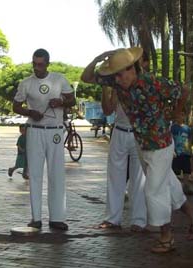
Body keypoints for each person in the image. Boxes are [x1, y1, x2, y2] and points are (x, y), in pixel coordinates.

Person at [94, 47, 193, 253]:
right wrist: (98, 59)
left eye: (120, 74)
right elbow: (88, 77)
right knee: (170, 186)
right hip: (143, 144)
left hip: (160, 144)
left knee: (154, 190)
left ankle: (167, 237)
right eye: (115, 75)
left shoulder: (153, 83)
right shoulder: (119, 83)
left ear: (132, 69)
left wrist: (176, 114)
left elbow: (183, 90)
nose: (117, 80)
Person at [81, 50, 147, 232]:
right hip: (119, 131)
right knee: (115, 176)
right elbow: (86, 78)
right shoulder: (115, 80)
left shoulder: (146, 82)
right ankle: (112, 219)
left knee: (139, 179)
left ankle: (139, 221)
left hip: (139, 134)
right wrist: (96, 59)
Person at [13, 48, 76, 230]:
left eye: (40, 64)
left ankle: (57, 218)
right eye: (34, 64)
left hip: (55, 131)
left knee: (56, 173)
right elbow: (16, 106)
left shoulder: (59, 79)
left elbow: (72, 99)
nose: (37, 68)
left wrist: (61, 102)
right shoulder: (26, 84)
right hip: (34, 129)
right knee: (35, 174)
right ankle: (36, 218)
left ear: (48, 63)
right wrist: (29, 112)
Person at [171, 110, 193, 181]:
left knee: (186, 170)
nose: (179, 117)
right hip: (176, 153)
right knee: (176, 170)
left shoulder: (187, 129)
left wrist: (190, 150)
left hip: (186, 153)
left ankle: (185, 187)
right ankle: (177, 187)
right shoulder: (173, 127)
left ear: (184, 116)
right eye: (178, 115)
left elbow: (189, 139)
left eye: (181, 115)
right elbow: (171, 139)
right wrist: (172, 151)